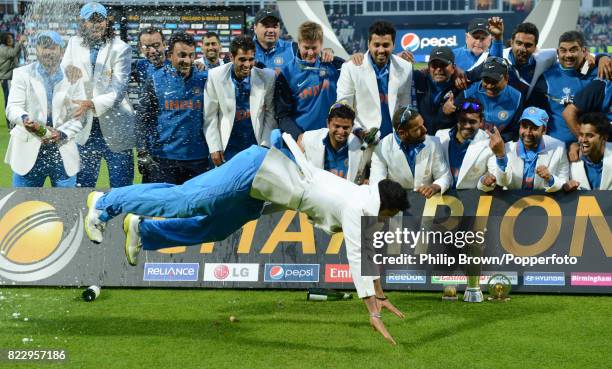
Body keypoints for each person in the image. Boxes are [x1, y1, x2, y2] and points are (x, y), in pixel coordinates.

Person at [84, 133, 408, 345]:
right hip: (257, 170)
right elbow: (360, 257)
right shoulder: (359, 207)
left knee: (216, 228)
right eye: (390, 216)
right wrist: (372, 310)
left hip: (263, 192)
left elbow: (369, 253)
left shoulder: (367, 199)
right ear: (388, 207)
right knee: (184, 201)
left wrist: (379, 295)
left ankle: (143, 230)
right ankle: (104, 203)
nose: (387, 222)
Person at [61, 2, 135, 188]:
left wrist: (90, 103)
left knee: (121, 189)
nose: (96, 24)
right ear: (82, 22)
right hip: (84, 130)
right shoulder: (73, 43)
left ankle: (122, 218)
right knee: (82, 189)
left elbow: (118, 91)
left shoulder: (121, 48)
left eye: (99, 20)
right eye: (91, 20)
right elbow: (65, 77)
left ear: (107, 21)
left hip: (117, 128)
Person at [5, 31, 85, 187]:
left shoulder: (73, 76)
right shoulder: (21, 73)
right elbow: (13, 107)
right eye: (44, 47)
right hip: (28, 149)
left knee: (66, 207)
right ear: (37, 50)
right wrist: (24, 119)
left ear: (61, 51)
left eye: (53, 47)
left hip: (62, 150)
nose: (48, 52)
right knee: (24, 206)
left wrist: (61, 133)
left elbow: (79, 115)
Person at [136, 32, 209, 184]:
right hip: (163, 160)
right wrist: (142, 151)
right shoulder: (155, 80)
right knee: (159, 206)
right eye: (182, 55)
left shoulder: (205, 79)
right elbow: (142, 119)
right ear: (169, 55)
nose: (187, 60)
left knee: (194, 207)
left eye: (191, 55)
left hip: (198, 159)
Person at [204, 36, 276, 166]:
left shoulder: (268, 77)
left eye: (251, 59)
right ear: (231, 57)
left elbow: (271, 114)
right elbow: (210, 116)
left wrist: (265, 145)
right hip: (228, 146)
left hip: (255, 145)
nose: (247, 65)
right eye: (242, 59)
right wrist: (214, 147)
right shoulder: (215, 76)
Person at [337, 21, 412, 140]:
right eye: (376, 45)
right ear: (368, 44)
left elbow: (405, 105)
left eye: (386, 45)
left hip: (394, 140)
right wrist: (358, 131)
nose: (381, 50)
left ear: (393, 45)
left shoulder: (405, 68)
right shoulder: (351, 68)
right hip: (361, 139)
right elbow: (343, 107)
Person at [527, 31, 600, 145]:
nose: (568, 55)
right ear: (557, 52)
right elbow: (534, 114)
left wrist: (602, 57)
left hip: (587, 147)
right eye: (563, 50)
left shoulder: (595, 74)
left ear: (584, 51)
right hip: (554, 147)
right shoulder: (546, 78)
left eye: (573, 50)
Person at [274, 21, 344, 138]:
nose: (310, 53)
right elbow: (282, 116)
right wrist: (298, 136)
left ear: (321, 44)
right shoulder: (286, 74)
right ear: (299, 44)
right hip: (304, 139)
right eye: (306, 47)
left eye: (314, 48)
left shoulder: (336, 65)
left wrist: (356, 58)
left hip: (333, 138)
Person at [370, 106, 452, 198]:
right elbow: (376, 185)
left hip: (427, 205)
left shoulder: (434, 143)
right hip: (396, 205)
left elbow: (444, 176)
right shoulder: (381, 148)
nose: (425, 130)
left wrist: (434, 186)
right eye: (417, 129)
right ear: (402, 133)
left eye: (423, 124)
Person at [486, 107, 569, 192]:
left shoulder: (559, 148)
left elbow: (563, 182)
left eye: (534, 128)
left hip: (545, 203)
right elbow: (502, 182)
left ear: (544, 130)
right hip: (513, 203)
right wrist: (500, 155)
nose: (528, 132)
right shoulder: (503, 149)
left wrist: (550, 178)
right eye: (524, 127)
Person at [446, 56, 523, 142]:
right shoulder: (468, 92)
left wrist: (501, 139)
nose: (489, 86)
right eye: (486, 80)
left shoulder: (516, 98)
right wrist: (445, 111)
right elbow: (450, 120)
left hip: (497, 145)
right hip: (468, 142)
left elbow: (515, 131)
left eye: (494, 81)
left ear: (506, 78)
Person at [434, 98, 496, 191]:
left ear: (481, 122)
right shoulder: (440, 136)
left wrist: (484, 182)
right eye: (463, 120)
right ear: (457, 119)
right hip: (441, 197)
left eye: (472, 122)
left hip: (472, 202)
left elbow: (492, 178)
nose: (467, 126)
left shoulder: (489, 143)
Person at [300, 101, 366, 183]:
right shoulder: (309, 139)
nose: (341, 131)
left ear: (352, 126)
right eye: (337, 126)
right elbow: (300, 139)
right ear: (328, 123)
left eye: (345, 127)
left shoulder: (360, 146)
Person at [564, 112, 611, 190]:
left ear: (604, 137)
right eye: (581, 135)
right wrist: (565, 187)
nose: (583, 140)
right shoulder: (570, 159)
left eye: (590, 135)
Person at [0, 31, 25, 111]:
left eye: (11, 38)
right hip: (7, 79)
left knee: (16, 100)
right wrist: (20, 42)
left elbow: (20, 55)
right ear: (4, 40)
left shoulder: (10, 48)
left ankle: (14, 120)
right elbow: (13, 53)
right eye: (8, 38)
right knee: (9, 100)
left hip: (12, 78)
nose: (11, 40)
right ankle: (9, 121)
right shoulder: (2, 49)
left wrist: (22, 45)